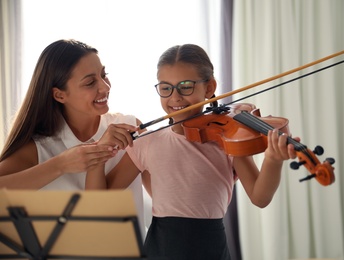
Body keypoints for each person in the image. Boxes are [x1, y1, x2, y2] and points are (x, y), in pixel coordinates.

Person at [89, 44, 299, 260]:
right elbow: (98, 202)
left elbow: (259, 197)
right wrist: (99, 151)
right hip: (161, 250)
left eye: (186, 86)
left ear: (209, 88)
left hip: (211, 248)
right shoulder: (146, 141)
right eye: (165, 88)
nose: (175, 97)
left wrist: (273, 160)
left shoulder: (228, 139)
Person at [0, 39, 147, 237]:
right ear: (59, 95)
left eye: (104, 75)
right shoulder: (38, 148)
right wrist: (60, 165)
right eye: (90, 82)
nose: (105, 87)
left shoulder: (129, 127)